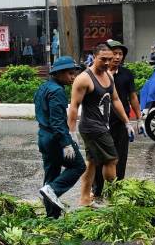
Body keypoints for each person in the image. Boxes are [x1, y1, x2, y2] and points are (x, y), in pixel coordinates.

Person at [68, 43, 130, 207]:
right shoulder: (84, 79)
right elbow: (74, 106)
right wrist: (71, 132)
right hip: (92, 127)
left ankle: (84, 199)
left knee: (92, 163)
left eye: (110, 59)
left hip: (103, 125)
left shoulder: (109, 75)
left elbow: (115, 100)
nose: (108, 62)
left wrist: (127, 122)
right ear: (94, 57)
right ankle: (114, 197)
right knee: (112, 160)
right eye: (103, 59)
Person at [34, 56, 86, 218]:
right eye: (70, 73)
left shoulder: (43, 87)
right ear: (59, 73)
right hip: (55, 139)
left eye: (74, 73)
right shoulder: (57, 92)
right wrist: (66, 143)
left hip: (44, 137)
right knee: (78, 166)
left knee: (52, 174)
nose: (73, 77)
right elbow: (57, 122)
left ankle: (51, 216)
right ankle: (53, 190)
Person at [92, 40, 142, 200]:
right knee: (100, 157)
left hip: (121, 122)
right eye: (115, 53)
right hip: (100, 123)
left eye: (121, 54)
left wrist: (139, 118)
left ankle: (118, 189)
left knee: (120, 157)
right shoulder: (96, 74)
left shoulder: (126, 74)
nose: (117, 57)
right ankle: (97, 189)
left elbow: (132, 97)